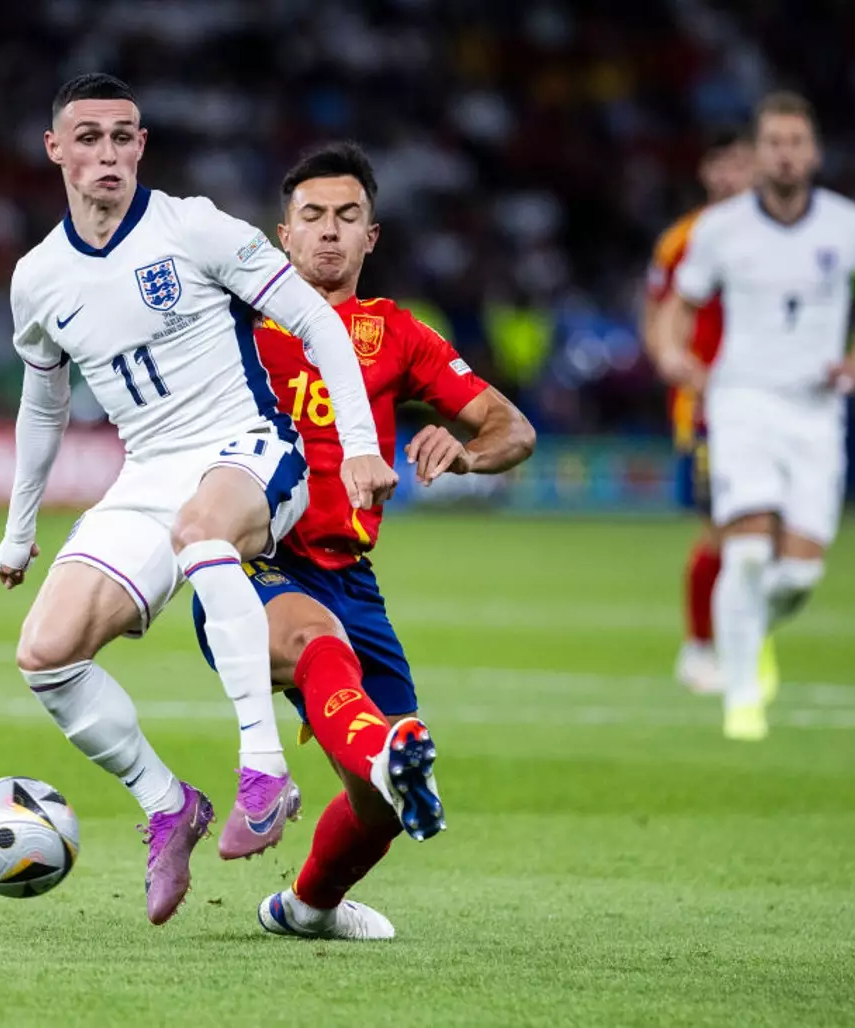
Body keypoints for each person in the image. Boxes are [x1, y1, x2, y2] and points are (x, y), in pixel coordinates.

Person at [0, 75, 399, 925]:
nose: (108, 153)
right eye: (89, 137)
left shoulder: (196, 228)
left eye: (123, 136)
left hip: (249, 447)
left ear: (142, 146)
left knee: (203, 531)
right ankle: (168, 804)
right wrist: (18, 531)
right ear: (55, 149)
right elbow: (44, 405)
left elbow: (318, 322)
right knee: (46, 653)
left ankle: (264, 771)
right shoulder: (38, 278)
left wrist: (359, 443)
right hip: (149, 474)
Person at [190, 142, 535, 939]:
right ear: (283, 234)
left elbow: (512, 428)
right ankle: (384, 752)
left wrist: (467, 452)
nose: (329, 231)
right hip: (252, 564)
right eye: (312, 216)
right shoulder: (234, 325)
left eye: (348, 217)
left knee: (382, 805)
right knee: (321, 648)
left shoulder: (395, 334)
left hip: (351, 575)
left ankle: (307, 907)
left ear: (371, 236)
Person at [651, 92, 855, 741]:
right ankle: (740, 700)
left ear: (814, 153)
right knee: (748, 551)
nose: (786, 155)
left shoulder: (850, 227)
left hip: (816, 411)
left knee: (799, 575)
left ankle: (745, 630)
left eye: (796, 142)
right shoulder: (717, 231)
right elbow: (678, 303)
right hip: (741, 403)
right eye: (774, 143)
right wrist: (672, 353)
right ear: (759, 155)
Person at [641, 131, 755, 695]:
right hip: (709, 405)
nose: (730, 174)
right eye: (721, 163)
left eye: (740, 163)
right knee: (723, 528)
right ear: (706, 171)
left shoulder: (777, 239)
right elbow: (657, 316)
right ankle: (700, 647)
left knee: (766, 532)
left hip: (772, 402)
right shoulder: (684, 239)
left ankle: (730, 639)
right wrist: (675, 363)